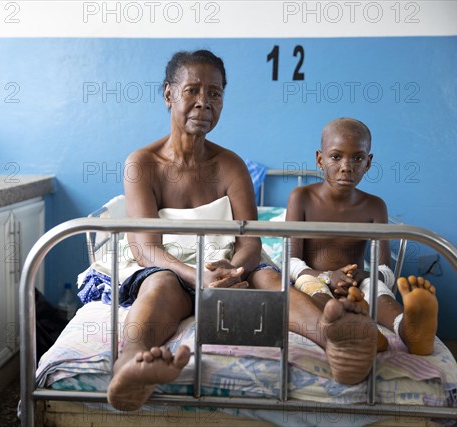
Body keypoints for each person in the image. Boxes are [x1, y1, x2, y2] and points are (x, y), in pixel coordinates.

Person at [107, 51, 380, 412]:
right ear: (168, 94)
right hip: (172, 267)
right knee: (157, 287)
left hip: (232, 265)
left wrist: (235, 271)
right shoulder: (142, 164)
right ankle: (131, 363)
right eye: (192, 90)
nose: (204, 101)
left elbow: (251, 240)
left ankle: (335, 339)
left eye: (215, 93)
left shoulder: (230, 165)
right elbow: (146, 250)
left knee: (270, 280)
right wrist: (198, 278)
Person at [285, 117, 438, 355]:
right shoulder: (300, 198)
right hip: (315, 277)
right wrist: (328, 277)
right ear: (319, 159)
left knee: (378, 292)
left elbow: (386, 271)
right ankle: (354, 325)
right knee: (314, 294)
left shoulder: (375, 206)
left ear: (368, 162)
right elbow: (291, 262)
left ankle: (408, 329)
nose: (347, 166)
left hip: (357, 280)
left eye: (357, 158)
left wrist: (363, 275)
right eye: (336, 156)